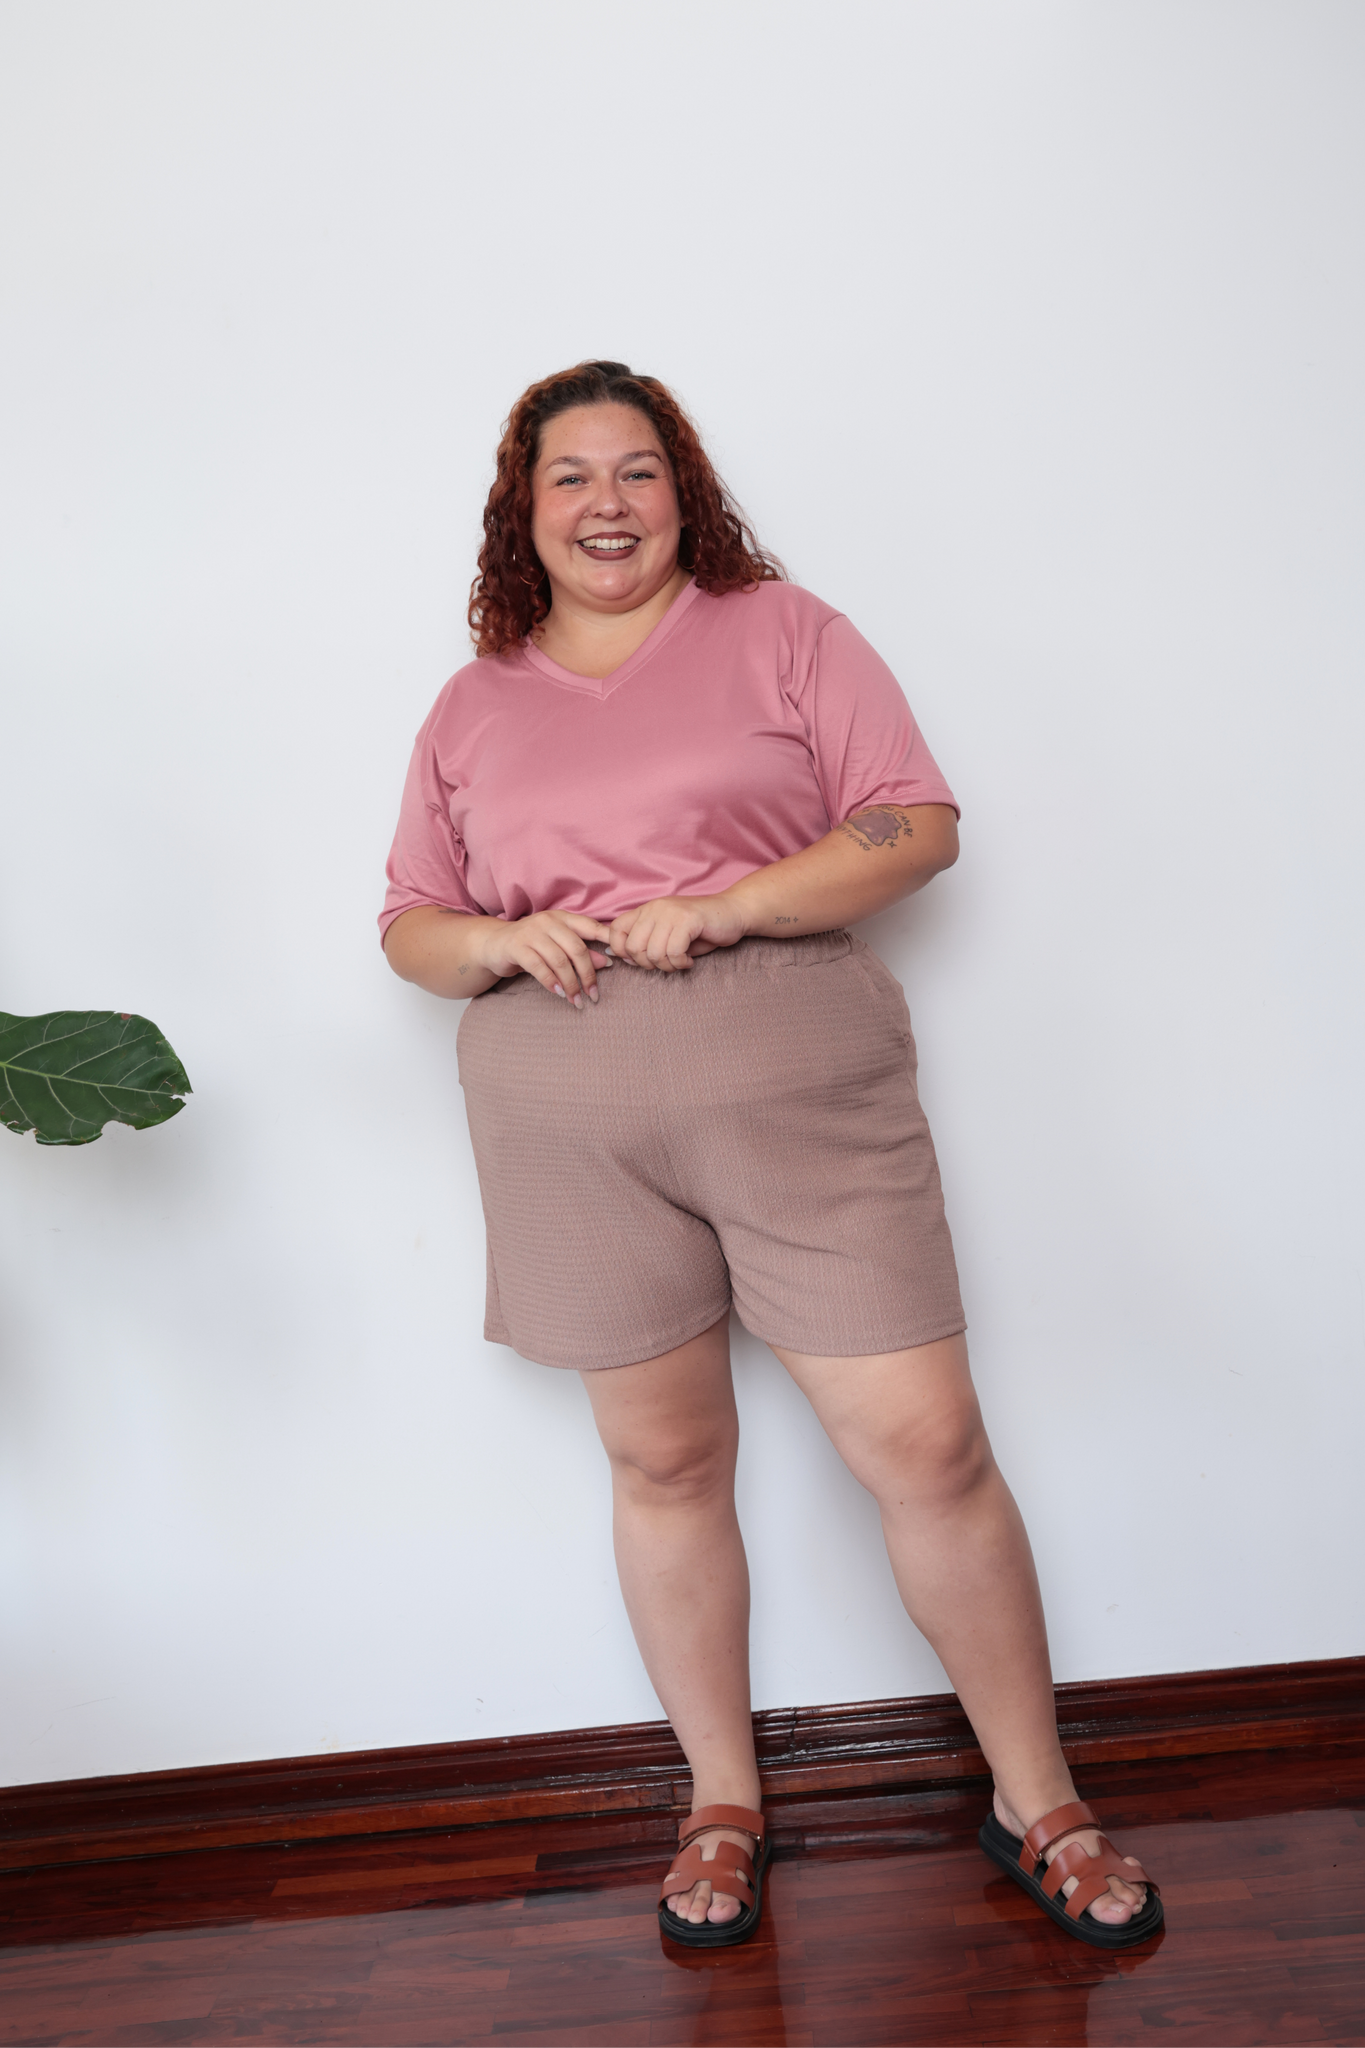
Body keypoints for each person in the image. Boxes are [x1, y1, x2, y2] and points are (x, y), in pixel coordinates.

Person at [380, 361, 1161, 1952]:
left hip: (795, 1076)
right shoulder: (473, 705)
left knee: (928, 1446)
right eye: (571, 476)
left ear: (686, 493)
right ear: (524, 511)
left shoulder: (786, 632)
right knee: (665, 1463)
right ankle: (722, 1801)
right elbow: (410, 924)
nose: (608, 503)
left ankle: (1039, 1800)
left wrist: (730, 904)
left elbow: (915, 824)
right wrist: (497, 940)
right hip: (562, 1114)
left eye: (640, 471)